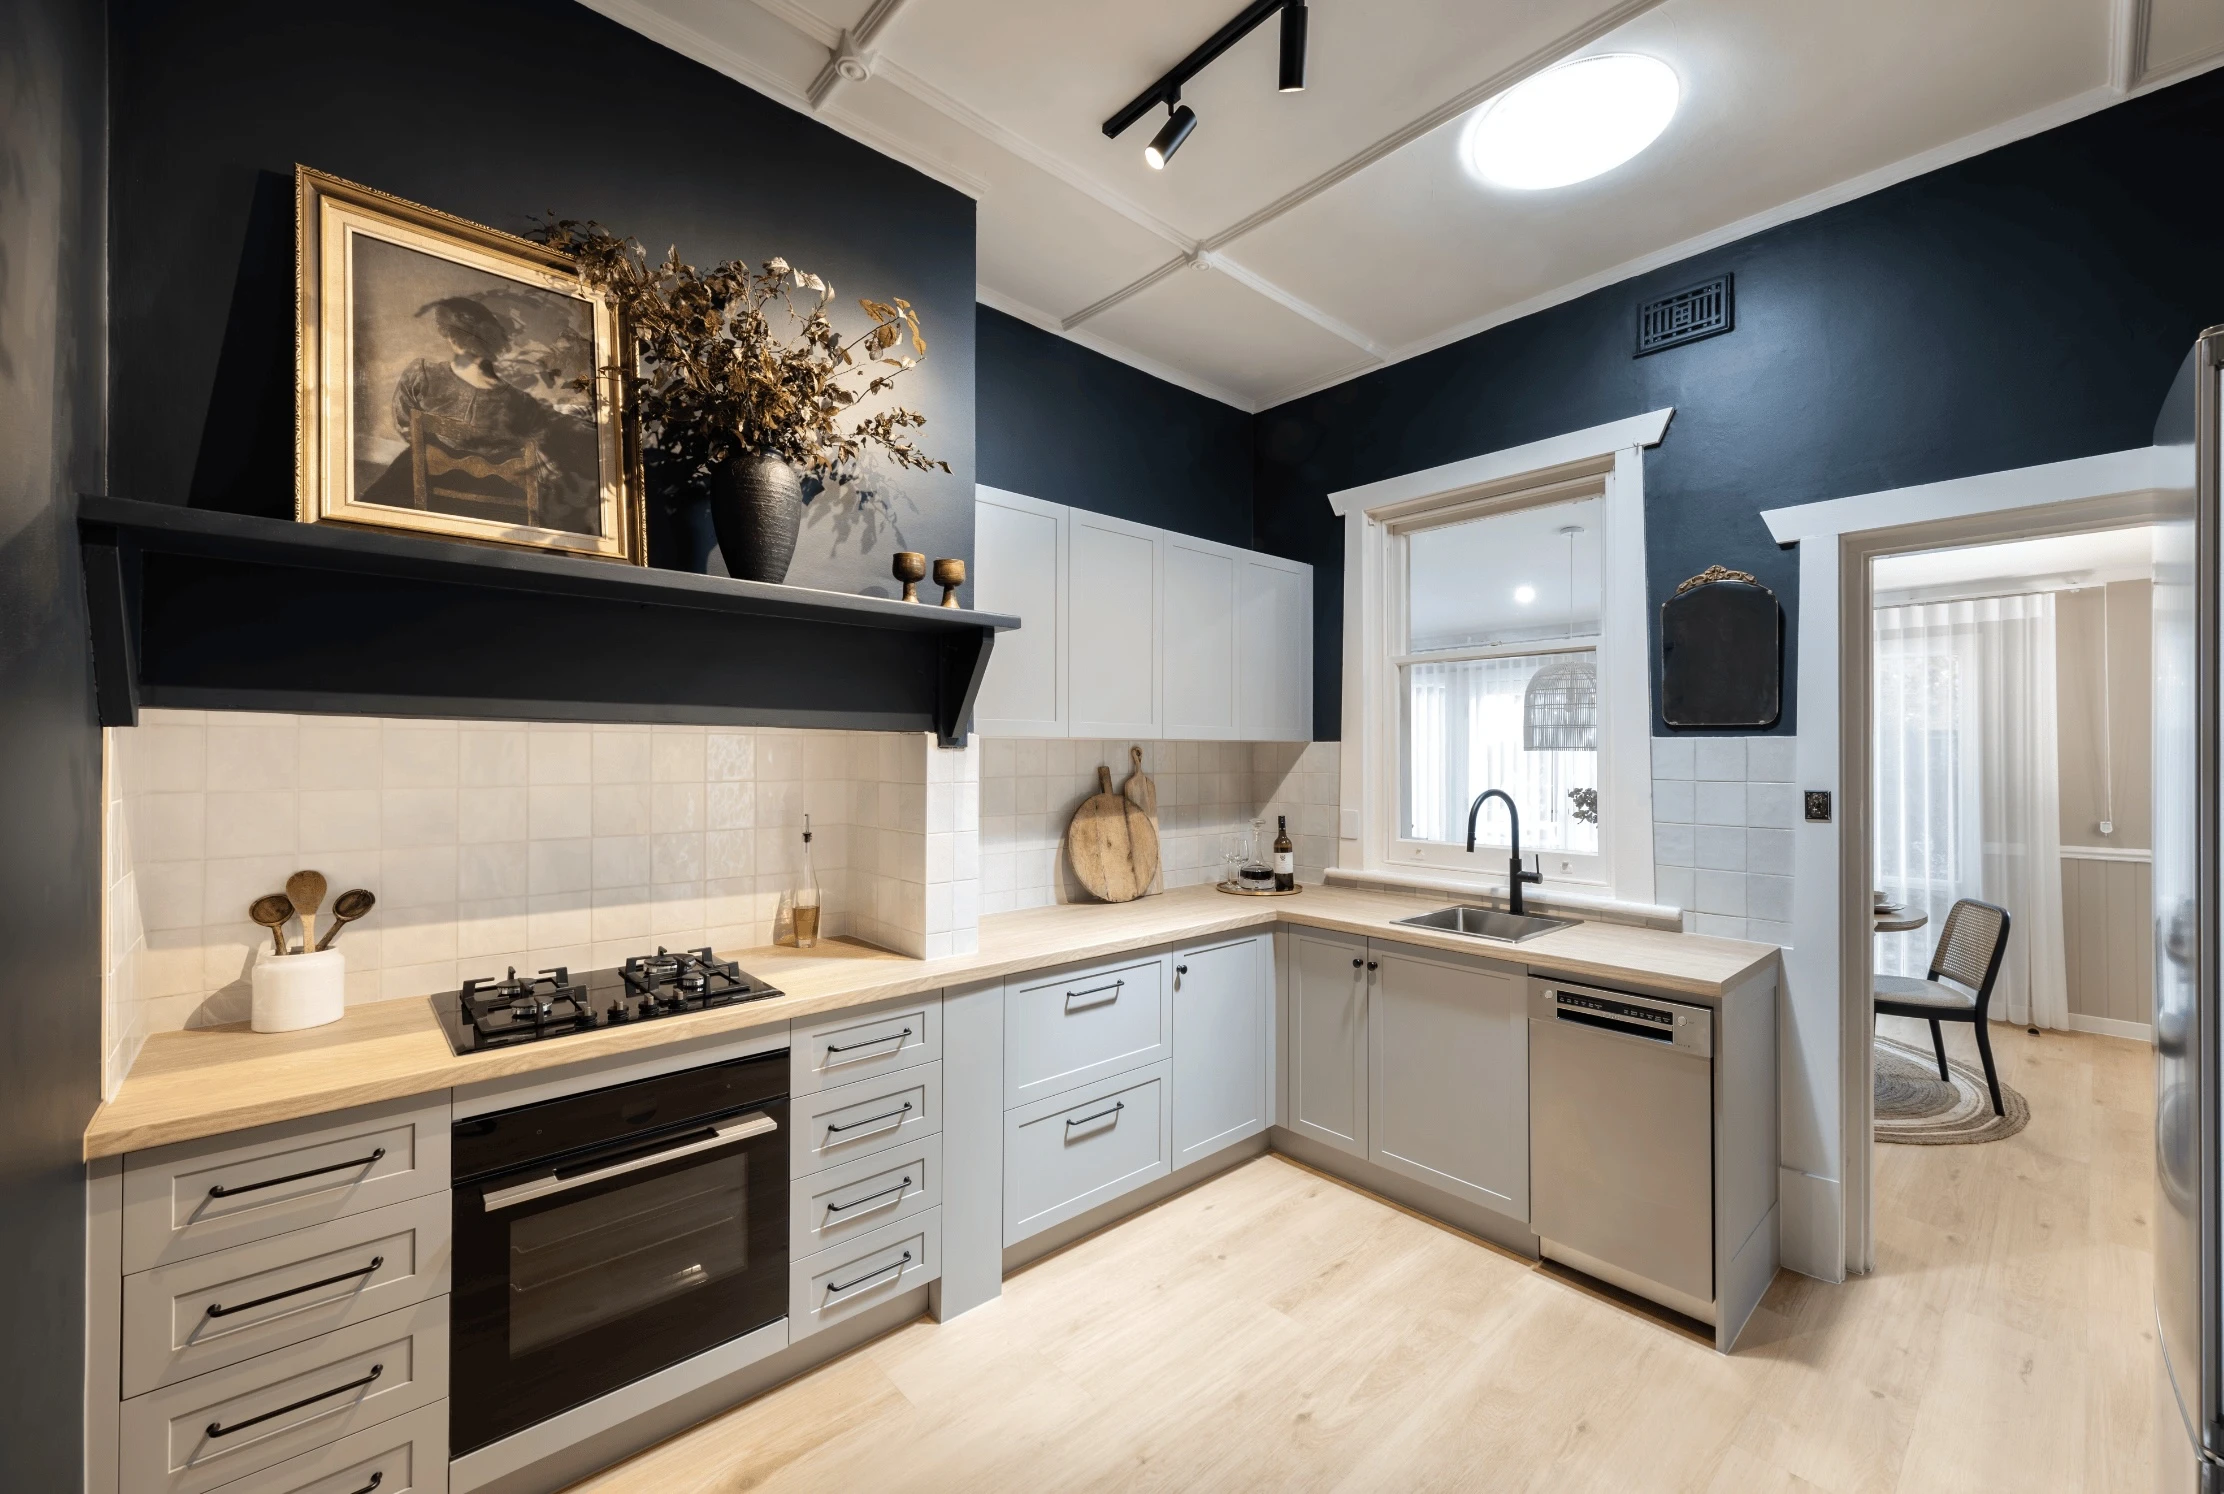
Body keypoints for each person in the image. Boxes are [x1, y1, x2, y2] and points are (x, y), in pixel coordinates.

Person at [359, 296, 597, 532]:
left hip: (423, 489)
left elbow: (406, 423)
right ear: (499, 343)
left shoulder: (422, 374)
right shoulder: (520, 400)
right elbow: (565, 440)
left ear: (449, 336)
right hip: (499, 505)